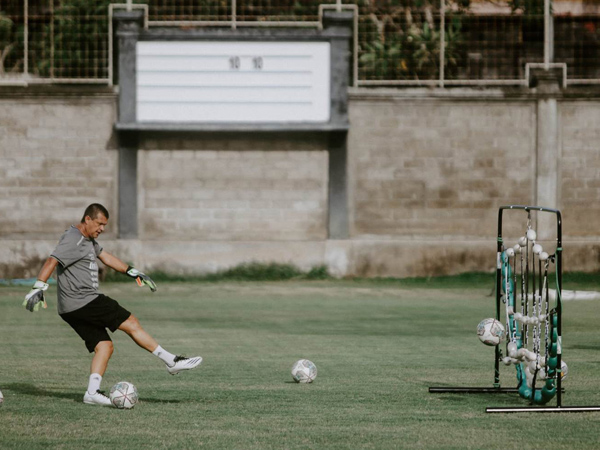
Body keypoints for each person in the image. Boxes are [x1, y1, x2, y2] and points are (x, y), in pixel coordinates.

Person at [23, 203, 202, 406]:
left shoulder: (88, 240)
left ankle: (92, 393)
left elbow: (105, 256)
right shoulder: (75, 238)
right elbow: (52, 260)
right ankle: (172, 361)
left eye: (105, 225)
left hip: (70, 308)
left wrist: (132, 271)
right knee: (131, 322)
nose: (102, 229)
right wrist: (38, 287)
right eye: (99, 224)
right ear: (88, 219)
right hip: (85, 300)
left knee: (104, 346)